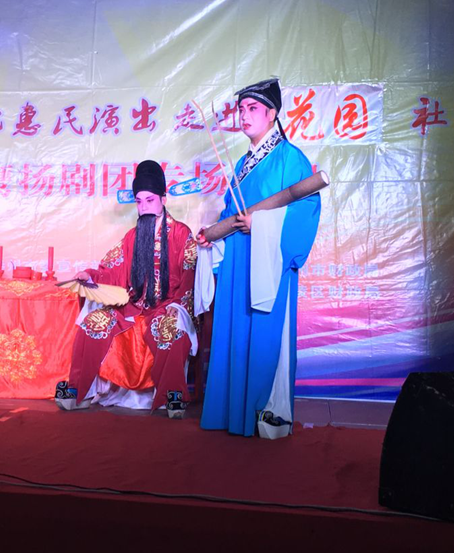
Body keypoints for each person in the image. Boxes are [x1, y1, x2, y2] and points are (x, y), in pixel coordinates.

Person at [198, 78, 322, 438]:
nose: (244, 115)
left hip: (269, 262)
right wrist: (212, 235)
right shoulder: (241, 164)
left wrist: (262, 223)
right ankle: (231, 411)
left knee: (265, 333)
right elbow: (230, 213)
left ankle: (266, 413)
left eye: (252, 108)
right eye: (241, 109)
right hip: (239, 261)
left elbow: (306, 209)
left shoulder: (290, 158)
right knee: (235, 330)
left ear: (272, 114)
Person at [55, 160, 198, 417]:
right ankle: (81, 391)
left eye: (150, 200)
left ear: (163, 199)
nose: (144, 207)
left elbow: (189, 277)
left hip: (168, 305)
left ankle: (172, 396)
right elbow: (113, 269)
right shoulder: (132, 236)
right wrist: (91, 275)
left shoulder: (181, 234)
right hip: (134, 306)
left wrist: (179, 306)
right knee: (92, 323)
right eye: (139, 201)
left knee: (170, 328)